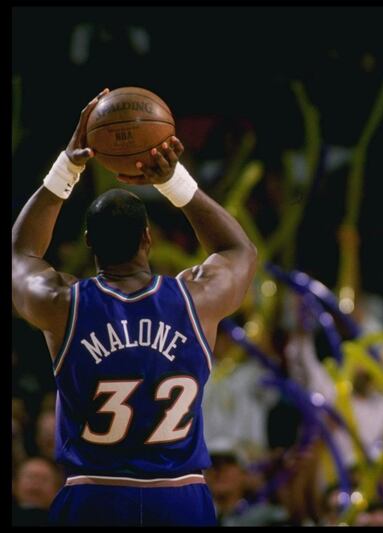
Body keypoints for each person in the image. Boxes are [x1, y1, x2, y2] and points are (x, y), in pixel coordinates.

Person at [11, 89, 257, 525]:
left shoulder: (63, 305)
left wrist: (68, 165)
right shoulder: (195, 300)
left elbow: (21, 255)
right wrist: (173, 181)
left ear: (89, 243)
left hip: (94, 494)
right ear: (148, 239)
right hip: (180, 496)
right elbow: (238, 250)